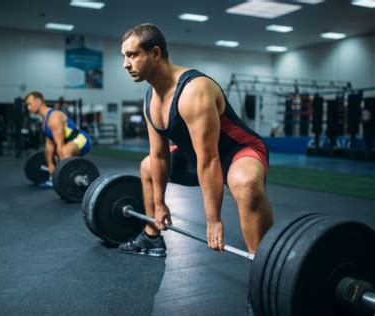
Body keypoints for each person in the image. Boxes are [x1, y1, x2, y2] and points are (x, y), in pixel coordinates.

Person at [118, 23, 273, 258]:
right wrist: (159, 204)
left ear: (156, 53)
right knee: (148, 166)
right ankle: (152, 237)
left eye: (132, 55)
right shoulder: (150, 98)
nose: (126, 64)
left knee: (246, 183)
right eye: (124, 56)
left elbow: (210, 159)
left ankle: (265, 267)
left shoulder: (193, 90)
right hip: (194, 156)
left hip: (236, 152)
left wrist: (213, 220)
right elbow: (159, 155)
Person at [25, 91, 92, 187]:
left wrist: (62, 174)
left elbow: (60, 146)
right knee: (51, 153)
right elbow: (49, 145)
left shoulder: (54, 118)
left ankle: (75, 179)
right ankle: (56, 177)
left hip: (81, 140)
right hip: (68, 141)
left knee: (64, 151)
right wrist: (50, 165)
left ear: (38, 101)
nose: (28, 108)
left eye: (29, 104)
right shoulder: (45, 122)